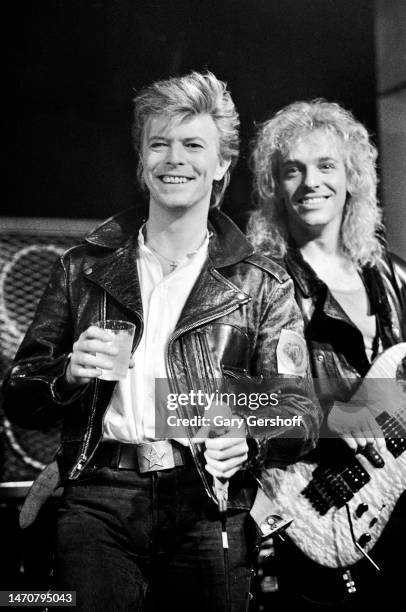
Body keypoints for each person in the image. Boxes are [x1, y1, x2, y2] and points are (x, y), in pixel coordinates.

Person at [2, 73, 320, 611]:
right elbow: (19, 393)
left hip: (207, 502)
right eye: (160, 143)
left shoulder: (262, 281)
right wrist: (67, 374)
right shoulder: (82, 268)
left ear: (221, 164)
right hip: (99, 496)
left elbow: (301, 410)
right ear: (142, 160)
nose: (175, 158)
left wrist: (250, 435)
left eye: (193, 144)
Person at [248, 99, 406, 609]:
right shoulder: (253, 285)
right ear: (275, 186)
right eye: (292, 170)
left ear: (353, 178)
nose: (309, 182)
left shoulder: (395, 279)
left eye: (325, 166)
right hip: (303, 515)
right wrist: (326, 415)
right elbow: (207, 400)